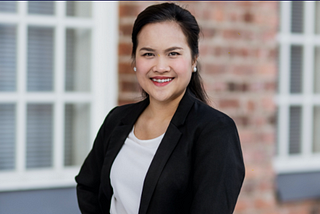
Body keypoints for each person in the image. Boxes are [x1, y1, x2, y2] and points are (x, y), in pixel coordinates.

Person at [75, 2, 245, 214]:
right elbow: (88, 186)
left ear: (193, 60)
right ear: (135, 60)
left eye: (173, 53)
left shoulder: (215, 131)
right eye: (148, 54)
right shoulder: (117, 120)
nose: (160, 67)